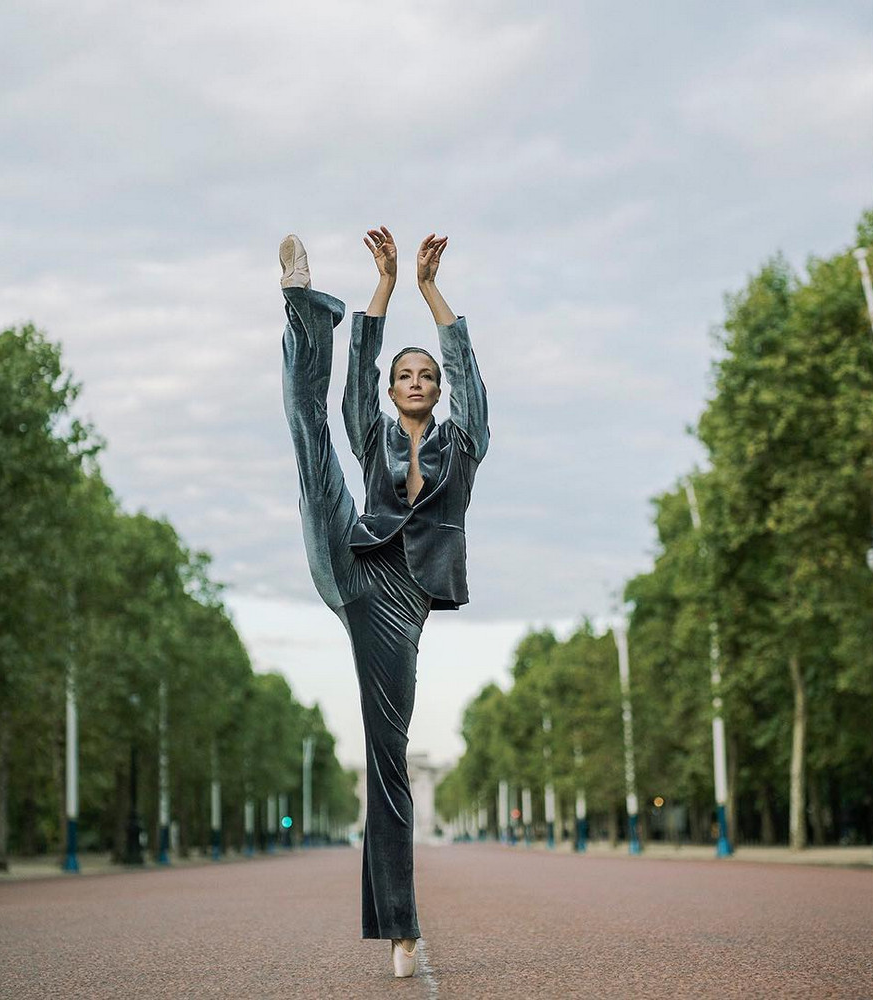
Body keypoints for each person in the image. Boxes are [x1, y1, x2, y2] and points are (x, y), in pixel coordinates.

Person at [279, 227, 489, 979]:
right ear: (393, 388)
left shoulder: (462, 446)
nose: (415, 380)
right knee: (311, 441)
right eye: (404, 374)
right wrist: (386, 285)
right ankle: (306, 311)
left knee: (387, 760)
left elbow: (470, 378)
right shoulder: (372, 436)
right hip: (352, 556)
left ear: (436, 389)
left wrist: (431, 289)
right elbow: (353, 387)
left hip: (399, 605)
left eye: (425, 374)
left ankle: (400, 928)